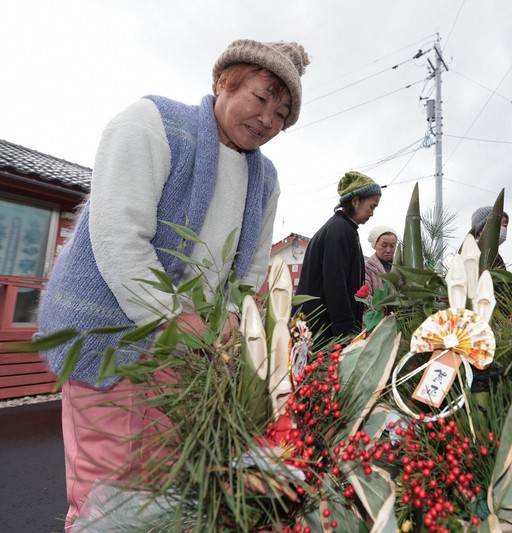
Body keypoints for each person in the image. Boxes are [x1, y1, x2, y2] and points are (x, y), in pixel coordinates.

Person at [35, 38, 310, 528]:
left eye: (283, 113)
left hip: (189, 348)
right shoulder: (153, 122)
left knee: (167, 482)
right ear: (224, 81)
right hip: (110, 333)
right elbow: (119, 235)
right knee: (109, 489)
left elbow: (247, 271)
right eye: (263, 96)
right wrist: (172, 317)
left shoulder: (264, 178)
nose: (269, 118)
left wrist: (234, 323)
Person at [295, 171, 381, 344]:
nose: (372, 213)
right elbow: (335, 283)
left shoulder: (345, 228)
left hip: (325, 327)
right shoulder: (338, 230)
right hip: (321, 331)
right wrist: (346, 330)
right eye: (372, 206)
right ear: (355, 201)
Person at [364, 225, 398, 296]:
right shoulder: (367, 268)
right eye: (384, 246)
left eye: (392, 246)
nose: (388, 250)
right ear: (375, 245)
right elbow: (365, 295)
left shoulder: (402, 265)